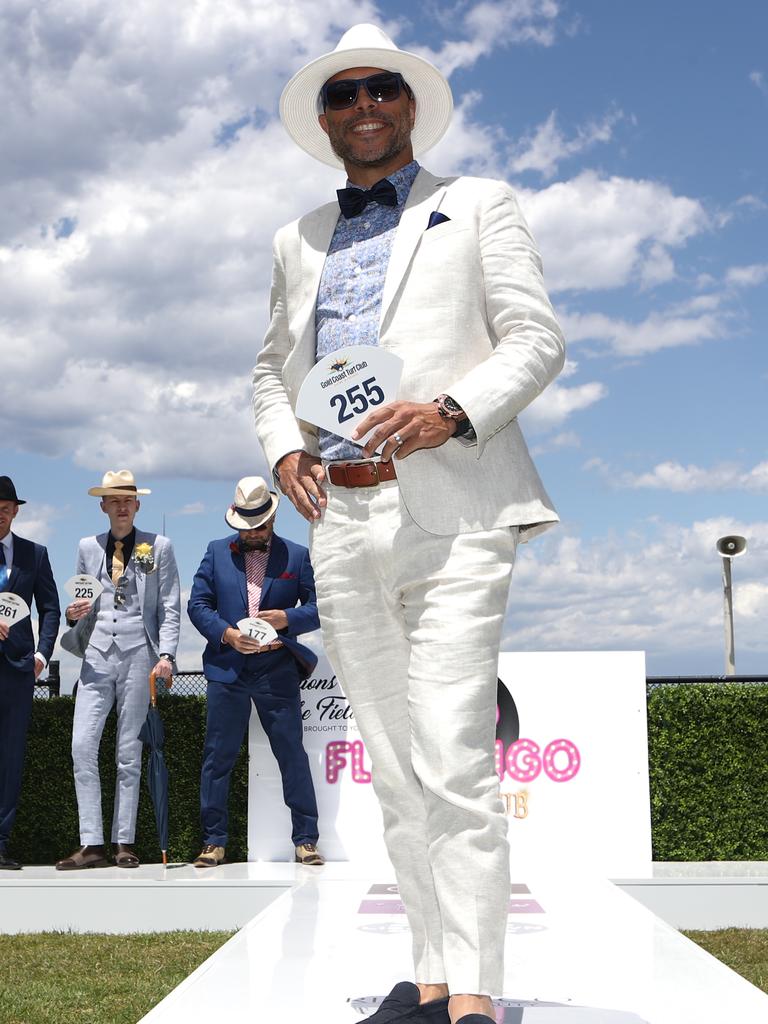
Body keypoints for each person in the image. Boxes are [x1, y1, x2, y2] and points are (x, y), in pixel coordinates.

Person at [252, 23, 566, 1024]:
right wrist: (284, 450)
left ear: (410, 102)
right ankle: (430, 975)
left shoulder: (474, 206)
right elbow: (270, 370)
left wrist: (453, 411)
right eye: (342, 95)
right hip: (339, 520)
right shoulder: (296, 238)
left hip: (456, 508)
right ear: (325, 119)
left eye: (380, 87)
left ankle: (474, 992)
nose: (364, 107)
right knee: (393, 765)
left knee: (452, 755)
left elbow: (537, 338)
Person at [187, 476, 323, 868]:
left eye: (259, 526)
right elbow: (199, 604)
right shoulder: (214, 552)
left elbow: (318, 607)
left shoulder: (296, 557)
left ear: (273, 519)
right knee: (218, 757)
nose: (253, 533)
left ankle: (306, 840)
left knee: (291, 754)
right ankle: (213, 842)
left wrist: (287, 618)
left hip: (276, 669)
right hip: (227, 669)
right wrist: (227, 635)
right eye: (246, 527)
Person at [56, 470, 180, 870]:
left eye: (128, 500)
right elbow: (81, 603)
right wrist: (74, 614)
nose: (122, 507)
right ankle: (91, 842)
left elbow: (170, 606)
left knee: (129, 752)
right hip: (95, 655)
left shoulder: (158, 546)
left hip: (138, 654)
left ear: (137, 505)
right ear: (103, 506)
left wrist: (168, 655)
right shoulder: (87, 547)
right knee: (81, 746)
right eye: (115, 500)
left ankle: (123, 841)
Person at [0, 477, 60, 870]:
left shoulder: (34, 554)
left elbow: (51, 608)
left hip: (17, 670)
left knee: (10, 759)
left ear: (16, 510)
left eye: (5, 507)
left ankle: (0, 843)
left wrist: (41, 654)